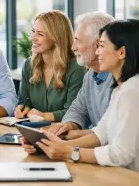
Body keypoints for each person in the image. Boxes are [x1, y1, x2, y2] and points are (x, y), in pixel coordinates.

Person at [33, 19, 139, 172]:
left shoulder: (132, 91)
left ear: (122, 52)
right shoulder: (121, 89)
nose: (97, 52)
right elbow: (101, 133)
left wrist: (71, 153)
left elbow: (121, 154)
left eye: (102, 46)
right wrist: (48, 145)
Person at [46, 12, 115, 140]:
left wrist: (78, 135)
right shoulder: (90, 75)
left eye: (78, 41)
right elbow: (78, 109)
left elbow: (114, 131)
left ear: (98, 43)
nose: (73, 48)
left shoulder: (122, 79)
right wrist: (68, 125)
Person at [14, 10, 86, 122]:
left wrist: (45, 116)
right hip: (34, 131)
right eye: (33, 31)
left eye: (40, 34)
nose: (32, 38)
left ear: (56, 38)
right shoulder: (29, 65)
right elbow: (24, 101)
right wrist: (22, 108)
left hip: (65, 134)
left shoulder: (77, 68)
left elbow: (74, 112)